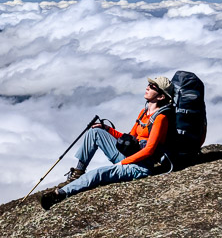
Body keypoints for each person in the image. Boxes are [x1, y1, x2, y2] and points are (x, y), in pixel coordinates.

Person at [40, 76, 175, 209]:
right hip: (129, 156)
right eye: (149, 84)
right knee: (95, 132)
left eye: (152, 87)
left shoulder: (160, 118)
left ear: (161, 96)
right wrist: (106, 129)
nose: (147, 87)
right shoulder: (144, 113)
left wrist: (122, 163)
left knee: (99, 173)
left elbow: (149, 150)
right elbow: (129, 138)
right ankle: (78, 172)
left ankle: (59, 194)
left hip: (140, 167)